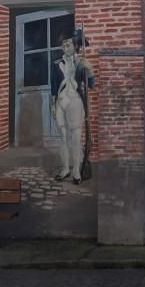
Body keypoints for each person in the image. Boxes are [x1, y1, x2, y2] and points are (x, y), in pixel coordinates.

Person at [51, 32, 94, 185]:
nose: (64, 48)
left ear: (76, 46)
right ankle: (65, 169)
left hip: (75, 102)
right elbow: (54, 86)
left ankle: (76, 171)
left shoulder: (82, 63)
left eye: (68, 45)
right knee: (63, 138)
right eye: (63, 45)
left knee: (76, 139)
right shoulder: (57, 64)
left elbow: (91, 86)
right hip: (61, 102)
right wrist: (53, 104)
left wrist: (90, 70)